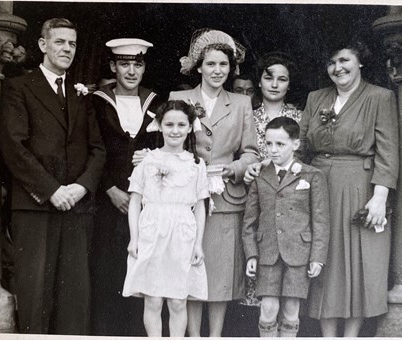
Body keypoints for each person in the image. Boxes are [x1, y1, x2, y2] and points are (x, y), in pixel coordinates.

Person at [0, 18, 105, 334]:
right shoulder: (20, 87)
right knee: (36, 293)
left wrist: (81, 188)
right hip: (36, 206)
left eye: (72, 43)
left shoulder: (81, 94)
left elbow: (97, 149)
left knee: (75, 294)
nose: (67, 49)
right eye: (59, 42)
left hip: (76, 206)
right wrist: (51, 190)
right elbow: (13, 147)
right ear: (43, 45)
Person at [300, 40, 399, 337]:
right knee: (324, 257)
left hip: (359, 185)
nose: (337, 68)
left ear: (360, 63)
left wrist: (380, 196)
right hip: (318, 184)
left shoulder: (380, 97)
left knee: (357, 259)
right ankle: (327, 335)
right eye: (331, 62)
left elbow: (388, 151)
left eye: (344, 60)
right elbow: (301, 146)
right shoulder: (316, 98)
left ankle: (352, 335)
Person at [169, 28, 260, 336]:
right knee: (192, 269)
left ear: (231, 68)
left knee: (220, 272)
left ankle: (215, 335)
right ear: (199, 67)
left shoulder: (241, 103)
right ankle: (193, 335)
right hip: (187, 198)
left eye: (223, 65)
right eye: (211, 64)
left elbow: (251, 153)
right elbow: (169, 146)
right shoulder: (179, 99)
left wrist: (231, 169)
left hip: (225, 197)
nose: (217, 71)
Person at [90, 38, 162, 336]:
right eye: (124, 64)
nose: (131, 71)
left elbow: (169, 147)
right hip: (107, 201)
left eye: (138, 64)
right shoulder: (97, 101)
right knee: (107, 271)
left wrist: (153, 155)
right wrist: (109, 188)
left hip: (146, 203)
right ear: (112, 66)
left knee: (142, 272)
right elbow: (88, 148)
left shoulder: (156, 102)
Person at [122, 100, 209, 337]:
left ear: (190, 127)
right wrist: (134, 239)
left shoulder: (195, 165)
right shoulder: (147, 160)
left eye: (182, 124)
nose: (175, 130)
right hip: (152, 232)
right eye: (169, 124)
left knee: (178, 301)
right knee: (153, 300)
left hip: (182, 234)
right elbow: (135, 202)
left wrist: (198, 243)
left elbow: (200, 206)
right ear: (159, 126)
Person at [242, 117, 329, 337]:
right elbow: (249, 220)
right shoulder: (259, 174)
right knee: (268, 308)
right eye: (268, 143)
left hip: (299, 254)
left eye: (280, 144)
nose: (273, 150)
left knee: (292, 310)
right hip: (268, 252)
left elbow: (320, 220)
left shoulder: (311, 175)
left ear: (295, 144)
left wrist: (317, 257)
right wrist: (252, 254)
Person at [253, 52, 302, 160]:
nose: (274, 85)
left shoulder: (300, 118)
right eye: (268, 78)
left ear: (289, 85)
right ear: (259, 82)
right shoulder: (247, 117)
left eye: (282, 79)